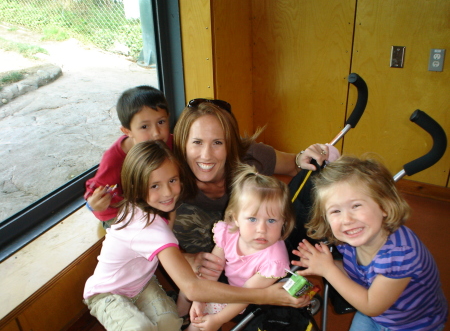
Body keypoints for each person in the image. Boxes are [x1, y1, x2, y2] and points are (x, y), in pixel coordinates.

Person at [83, 140, 309, 331]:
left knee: (171, 322)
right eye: (155, 186)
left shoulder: (160, 209)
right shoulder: (147, 227)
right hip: (107, 292)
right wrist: (269, 296)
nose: (168, 192)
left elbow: (202, 276)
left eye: (172, 181)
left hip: (141, 283)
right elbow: (192, 287)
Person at [172, 98, 339, 281]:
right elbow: (145, 240)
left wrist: (309, 156)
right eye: (197, 142)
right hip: (211, 268)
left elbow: (296, 165)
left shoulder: (252, 157)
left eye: (217, 143)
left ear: (231, 144)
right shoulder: (169, 178)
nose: (206, 155)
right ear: (183, 144)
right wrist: (185, 259)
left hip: (260, 249)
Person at [292, 155, 448, 331]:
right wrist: (326, 263)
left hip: (411, 324)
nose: (347, 220)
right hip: (376, 314)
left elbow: (371, 306)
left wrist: (328, 270)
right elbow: (359, 272)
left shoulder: (400, 255)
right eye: (335, 211)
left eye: (356, 206)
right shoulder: (348, 239)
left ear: (385, 206)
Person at [178, 164, 296, 331]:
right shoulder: (229, 232)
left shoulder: (274, 261)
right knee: (188, 284)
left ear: (283, 221)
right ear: (235, 219)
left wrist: (217, 320)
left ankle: (191, 327)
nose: (261, 229)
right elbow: (212, 268)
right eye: (253, 219)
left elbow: (246, 296)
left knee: (203, 318)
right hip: (225, 282)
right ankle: (176, 318)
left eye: (271, 221)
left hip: (248, 299)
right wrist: (198, 298)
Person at [84, 85, 172, 228]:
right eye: (145, 127)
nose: (156, 133)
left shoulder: (168, 142)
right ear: (127, 131)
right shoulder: (114, 159)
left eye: (161, 122)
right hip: (119, 214)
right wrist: (92, 204)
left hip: (152, 203)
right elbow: (95, 189)